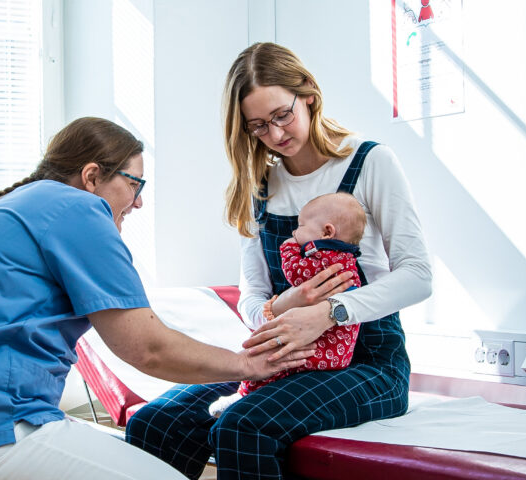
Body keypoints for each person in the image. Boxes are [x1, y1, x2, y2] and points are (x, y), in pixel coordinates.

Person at [0, 117, 309, 480]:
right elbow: (148, 348)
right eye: (135, 184)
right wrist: (247, 364)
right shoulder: (76, 208)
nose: (138, 203)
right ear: (91, 176)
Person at [125, 42, 432, 480]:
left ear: (307, 94)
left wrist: (330, 313)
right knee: (153, 422)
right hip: (280, 361)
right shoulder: (259, 187)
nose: (274, 135)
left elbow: (418, 276)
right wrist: (282, 308)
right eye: (257, 126)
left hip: (369, 364)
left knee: (242, 426)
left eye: (281, 115)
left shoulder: (370, 162)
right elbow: (252, 297)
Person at [208, 192, 366, 418]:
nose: (294, 232)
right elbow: (253, 293)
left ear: (327, 232)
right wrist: (281, 305)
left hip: (321, 349)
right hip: (337, 351)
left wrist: (289, 248)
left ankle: (244, 394)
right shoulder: (345, 258)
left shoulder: (323, 258)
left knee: (272, 362)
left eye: (300, 226)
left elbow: (297, 275)